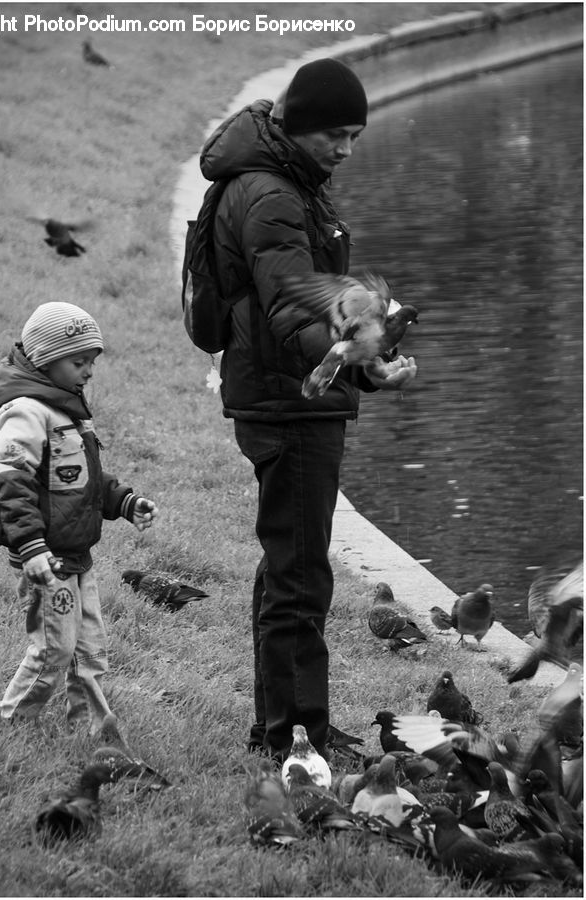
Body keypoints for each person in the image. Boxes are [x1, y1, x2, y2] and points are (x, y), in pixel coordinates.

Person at [199, 57, 417, 761]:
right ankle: (300, 740)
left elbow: (314, 309)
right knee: (299, 575)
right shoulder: (270, 195)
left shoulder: (286, 180)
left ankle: (281, 728)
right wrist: (347, 351)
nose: (347, 150)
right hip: (288, 404)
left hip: (287, 396)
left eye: (356, 135)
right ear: (302, 126)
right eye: (338, 134)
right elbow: (294, 310)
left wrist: (371, 360)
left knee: (287, 563)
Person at [0, 301, 158, 733]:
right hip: (47, 558)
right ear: (46, 359)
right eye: (79, 362)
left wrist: (124, 501)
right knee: (55, 650)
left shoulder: (67, 409)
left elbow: (82, 477)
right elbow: (9, 480)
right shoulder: (28, 412)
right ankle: (9, 722)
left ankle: (88, 727)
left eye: (91, 362)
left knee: (90, 648)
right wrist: (32, 548)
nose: (89, 371)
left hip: (77, 554)